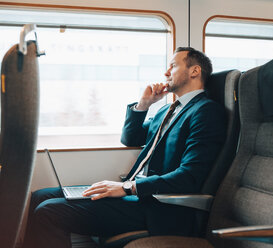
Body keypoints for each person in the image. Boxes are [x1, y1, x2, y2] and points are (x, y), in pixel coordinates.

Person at [23, 47, 226, 248]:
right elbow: (130, 138)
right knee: (40, 196)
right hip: (136, 195)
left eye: (172, 66)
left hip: (158, 206)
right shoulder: (168, 109)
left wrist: (127, 187)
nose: (165, 73)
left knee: (47, 212)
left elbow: (189, 177)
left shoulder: (206, 112)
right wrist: (143, 105)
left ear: (194, 71)